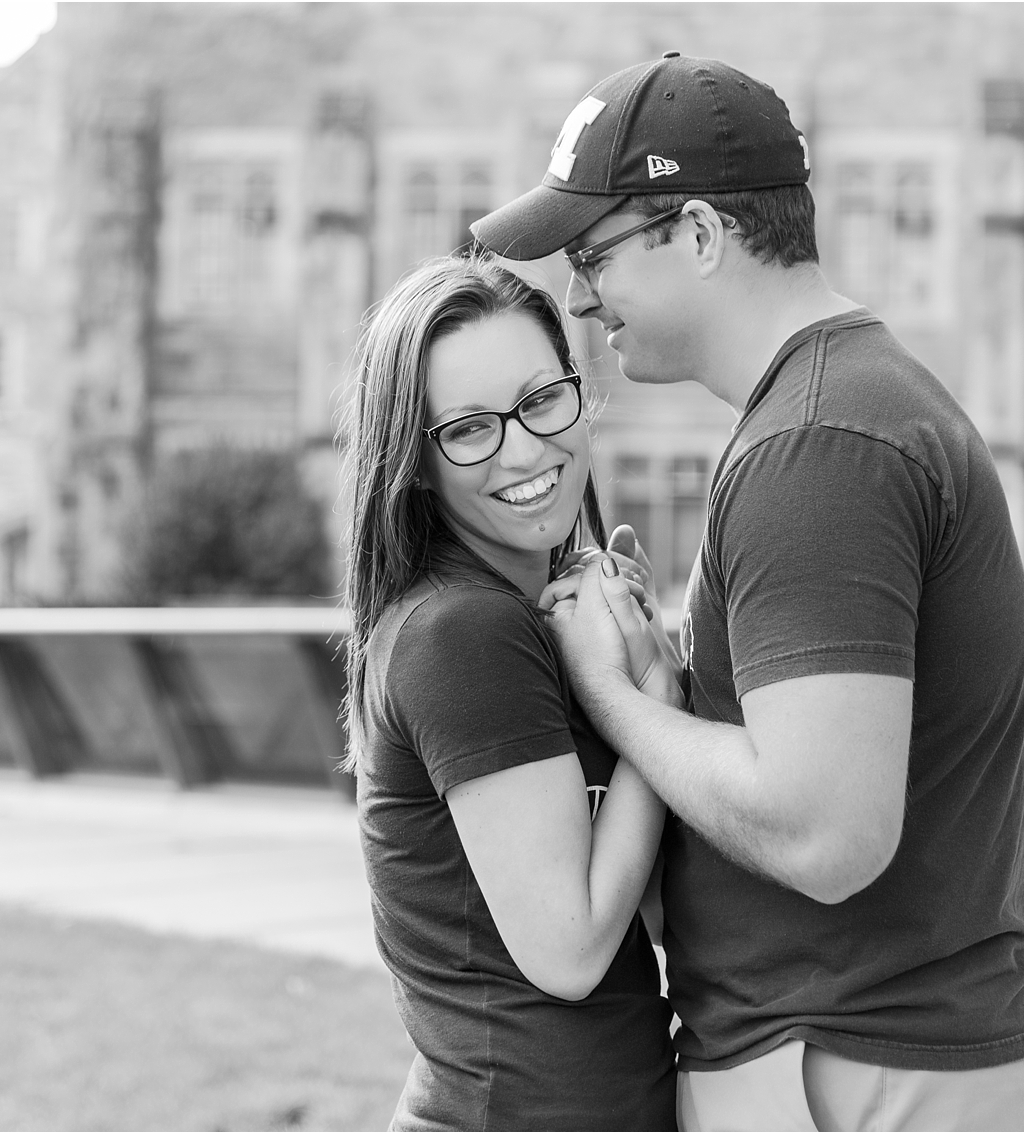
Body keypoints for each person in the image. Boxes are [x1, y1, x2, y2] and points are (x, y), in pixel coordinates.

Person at [470, 53, 1024, 1131]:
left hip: (847, 1062)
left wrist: (615, 697)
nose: (576, 296)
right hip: (872, 1052)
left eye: (591, 255)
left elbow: (822, 835)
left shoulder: (816, 446)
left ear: (699, 235)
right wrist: (674, 681)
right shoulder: (839, 409)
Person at [341, 255, 679, 1131]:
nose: (526, 450)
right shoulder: (463, 635)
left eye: (540, 400)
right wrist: (648, 697)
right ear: (411, 464)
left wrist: (621, 662)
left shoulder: (522, 622)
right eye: (467, 429)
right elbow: (568, 950)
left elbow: (651, 899)